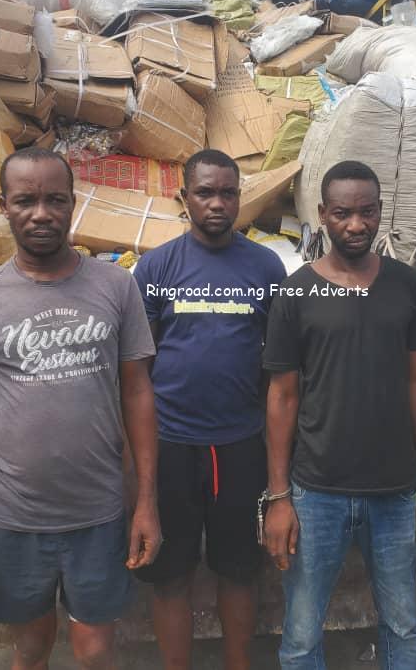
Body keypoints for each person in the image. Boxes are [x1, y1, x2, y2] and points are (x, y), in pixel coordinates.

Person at [0, 147, 161, 669]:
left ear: (72, 203)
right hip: (14, 515)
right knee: (31, 645)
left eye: (55, 200)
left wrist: (146, 502)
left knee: (94, 650)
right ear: (4, 206)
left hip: (99, 511)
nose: (41, 213)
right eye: (25, 201)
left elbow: (138, 393)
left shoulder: (116, 286)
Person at [262, 160, 416, 670]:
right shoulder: (296, 293)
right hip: (316, 491)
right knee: (301, 634)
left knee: (403, 625)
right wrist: (279, 496)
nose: (356, 225)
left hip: (396, 492)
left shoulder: (407, 285)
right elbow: (282, 397)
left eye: (367, 212)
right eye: (342, 213)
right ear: (322, 214)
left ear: (381, 211)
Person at [131, 149, 286, 670]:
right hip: (171, 444)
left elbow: (275, 363)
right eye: (205, 192)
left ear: (239, 198)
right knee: (170, 574)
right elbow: (139, 364)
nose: (217, 203)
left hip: (240, 444)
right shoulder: (156, 267)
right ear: (184, 198)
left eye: (228, 193)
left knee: (239, 570)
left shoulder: (265, 267)